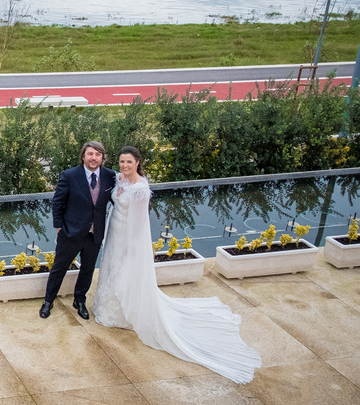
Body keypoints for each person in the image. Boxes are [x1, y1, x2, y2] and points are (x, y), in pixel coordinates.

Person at [94, 146, 261, 384]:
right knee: (110, 268)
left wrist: (132, 247)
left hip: (129, 239)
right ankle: (105, 306)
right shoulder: (119, 179)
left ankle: (123, 313)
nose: (124, 166)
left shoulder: (141, 189)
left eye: (129, 162)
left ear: (138, 162)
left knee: (125, 272)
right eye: (121, 161)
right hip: (114, 232)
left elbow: (140, 222)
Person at [41, 141, 116, 320]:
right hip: (70, 232)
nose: (93, 158)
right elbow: (58, 202)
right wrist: (59, 227)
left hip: (95, 233)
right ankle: (48, 301)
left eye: (98, 154)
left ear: (102, 158)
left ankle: (79, 300)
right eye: (90, 154)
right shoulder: (69, 175)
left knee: (88, 269)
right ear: (83, 156)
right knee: (59, 268)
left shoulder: (110, 176)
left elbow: (118, 198)